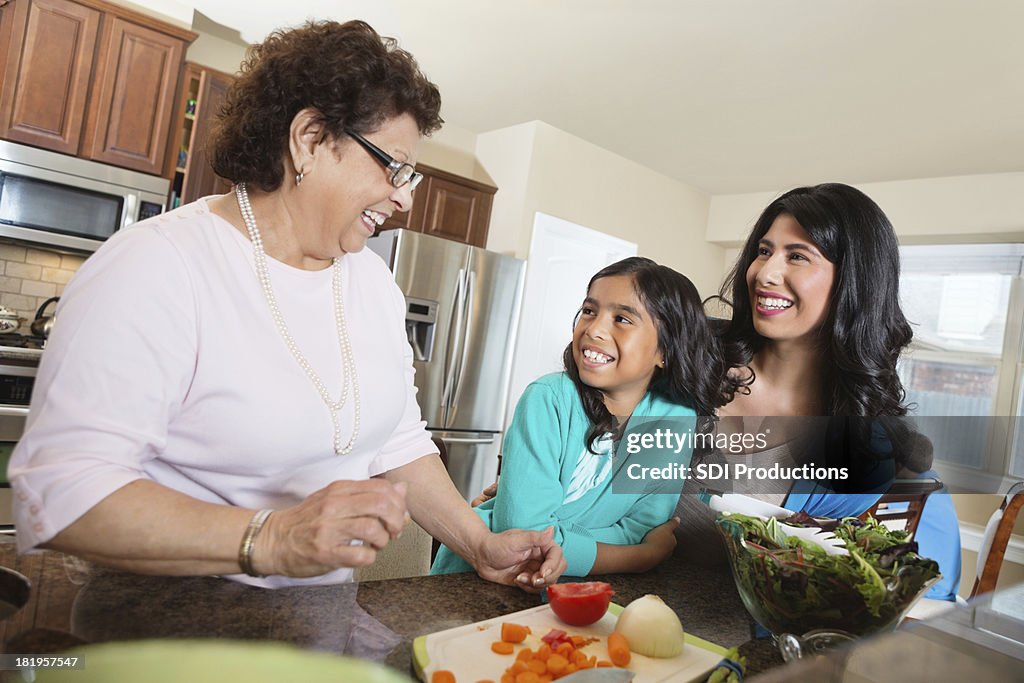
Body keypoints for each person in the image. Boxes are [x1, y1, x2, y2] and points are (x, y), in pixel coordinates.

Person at [8, 20, 564, 590]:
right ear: (311, 138)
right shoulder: (159, 265)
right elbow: (60, 492)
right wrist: (273, 538)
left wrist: (479, 543)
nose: (403, 197)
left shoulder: (372, 281)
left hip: (319, 623)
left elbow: (395, 438)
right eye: (393, 167)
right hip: (164, 621)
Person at [675, 182, 961, 602]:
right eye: (765, 251)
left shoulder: (862, 442)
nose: (765, 273)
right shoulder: (693, 359)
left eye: (797, 256)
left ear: (852, 282)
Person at [432, 258, 740, 577]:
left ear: (665, 350)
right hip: (480, 583)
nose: (594, 329)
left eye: (621, 318)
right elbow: (522, 541)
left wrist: (561, 543)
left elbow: (642, 527)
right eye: (589, 311)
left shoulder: (674, 418)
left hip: (579, 595)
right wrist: (641, 556)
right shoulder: (547, 399)